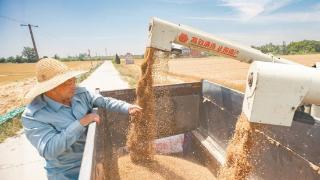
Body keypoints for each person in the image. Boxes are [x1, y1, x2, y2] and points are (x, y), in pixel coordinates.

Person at [22, 58, 142, 180]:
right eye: (68, 82)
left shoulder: (80, 93)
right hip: (67, 172)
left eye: (74, 80)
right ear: (51, 87)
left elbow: (103, 101)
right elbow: (49, 149)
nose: (74, 85)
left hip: (94, 158)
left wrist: (127, 107)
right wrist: (81, 123)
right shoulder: (34, 115)